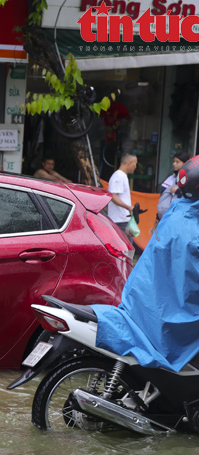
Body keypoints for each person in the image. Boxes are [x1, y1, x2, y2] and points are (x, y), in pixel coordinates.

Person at [92, 155, 199, 372]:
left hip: (143, 300)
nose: (136, 165)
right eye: (134, 163)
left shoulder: (176, 211)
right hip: (166, 312)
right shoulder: (192, 227)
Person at [152, 151, 191, 233]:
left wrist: (177, 191)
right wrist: (158, 217)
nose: (174, 164)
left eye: (177, 162)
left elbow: (190, 198)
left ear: (185, 163)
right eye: (173, 161)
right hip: (166, 218)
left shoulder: (189, 179)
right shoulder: (171, 179)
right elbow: (163, 201)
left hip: (181, 219)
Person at [106, 153, 138, 242]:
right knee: (124, 251)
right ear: (130, 162)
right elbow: (113, 195)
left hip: (122, 220)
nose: (135, 166)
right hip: (120, 221)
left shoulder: (122, 175)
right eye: (135, 163)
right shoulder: (119, 176)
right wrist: (128, 207)